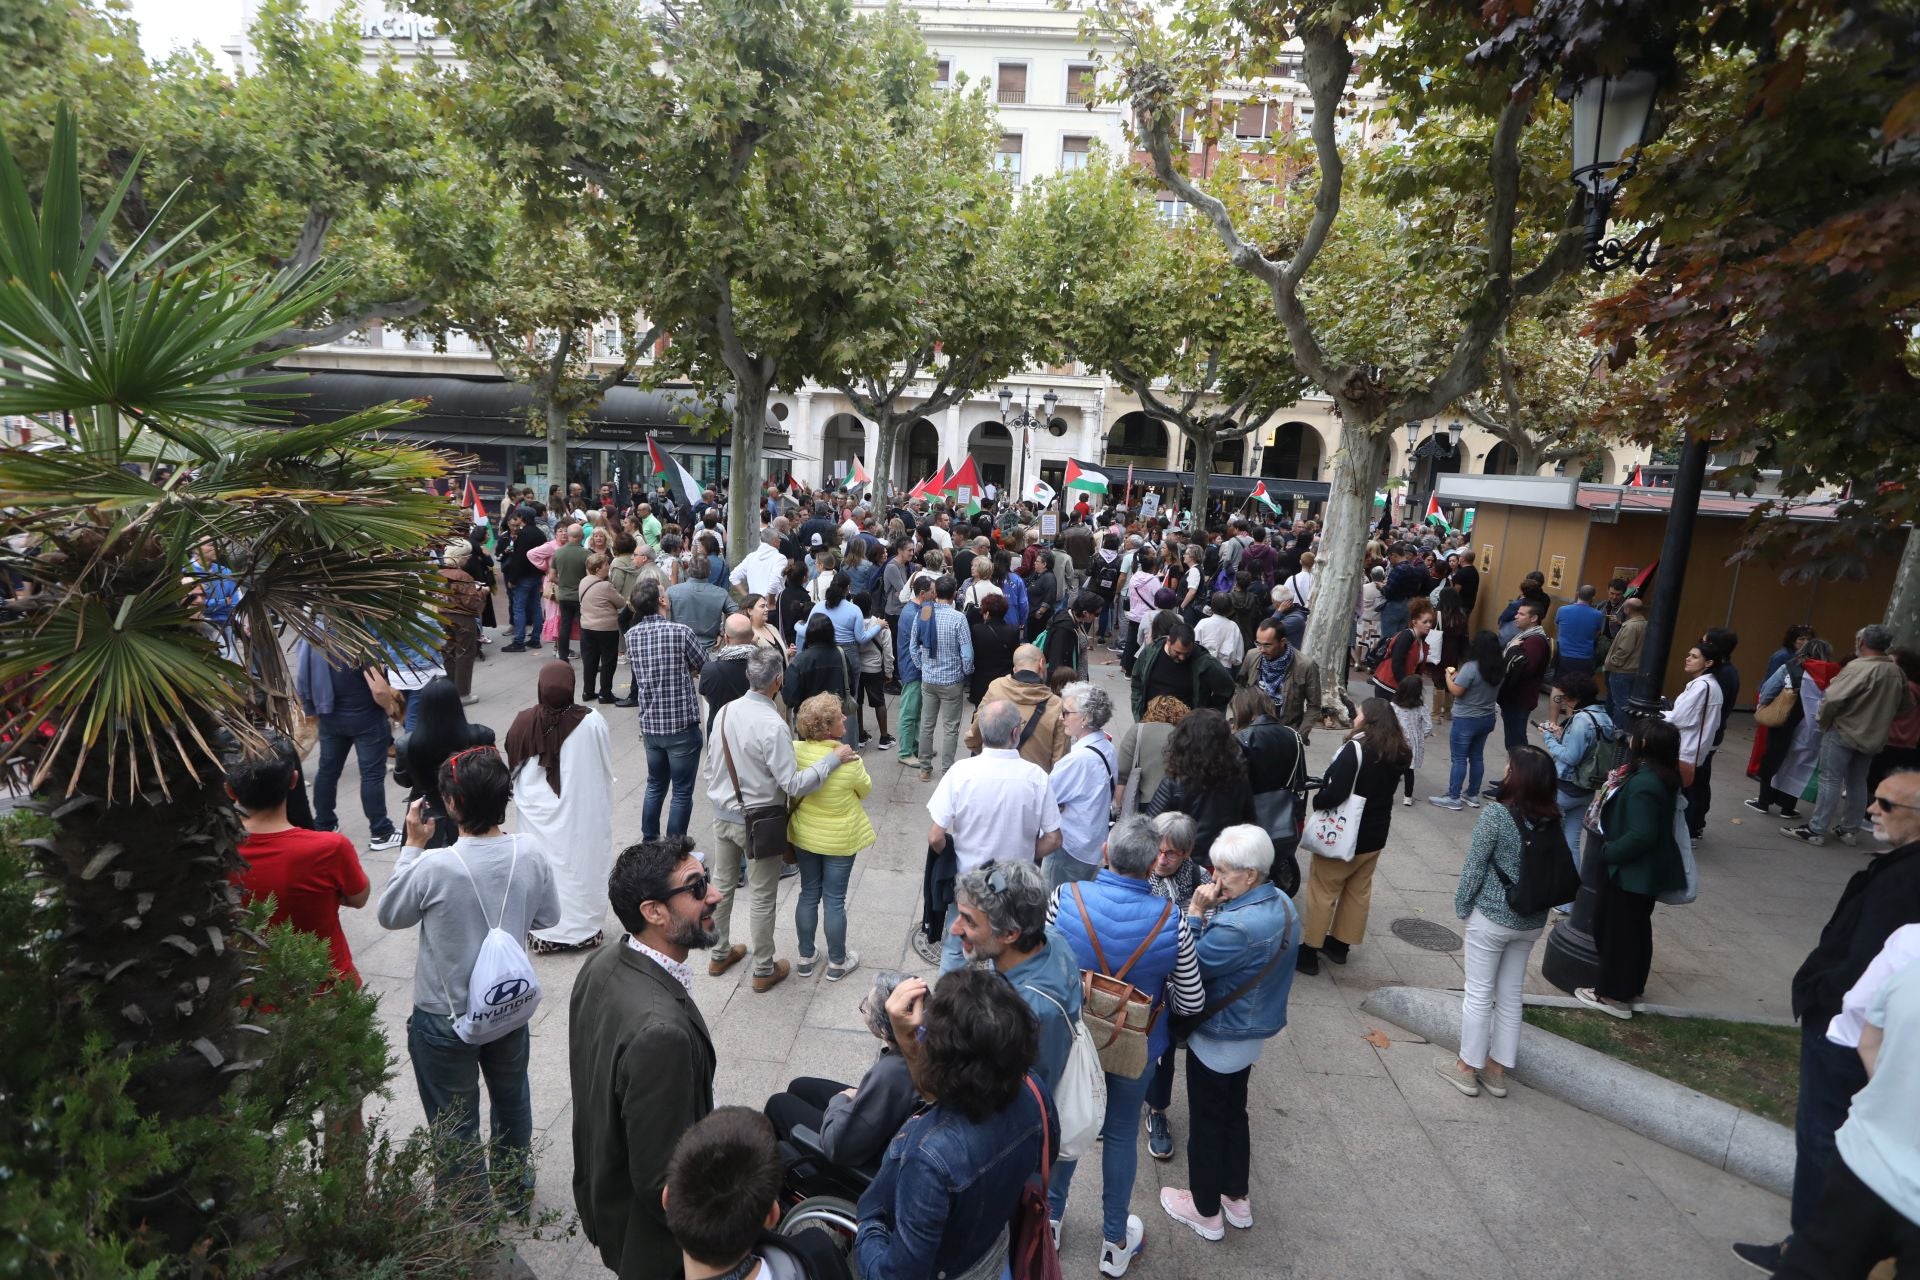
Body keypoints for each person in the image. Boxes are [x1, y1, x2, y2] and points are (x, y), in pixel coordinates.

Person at [1732, 768, 1920, 1274]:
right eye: (1874, 798)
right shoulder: (1901, 867)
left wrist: (1822, 997)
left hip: (1843, 1028)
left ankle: (1807, 1249)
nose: (1871, 809)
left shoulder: (1906, 881)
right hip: (1852, 1025)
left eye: (1886, 804)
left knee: (1820, 1140)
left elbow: (1867, 965)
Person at [376, 746, 560, 1203]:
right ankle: (515, 1189)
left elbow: (389, 913)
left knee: (454, 1119)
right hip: (507, 1004)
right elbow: (548, 918)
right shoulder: (530, 851)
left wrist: (412, 846)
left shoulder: (435, 867)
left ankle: (469, 1214)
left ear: (452, 804)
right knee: (512, 1099)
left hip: (444, 1015)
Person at [570, 837, 722, 1280]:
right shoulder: (663, 1035)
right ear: (653, 912)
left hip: (606, 1201)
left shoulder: (602, 961)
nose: (714, 894)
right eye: (696, 888)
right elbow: (664, 1183)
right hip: (658, 1251)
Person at [852, 969, 1056, 1280]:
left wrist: (867, 1228)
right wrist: (908, 1035)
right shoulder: (1034, 1090)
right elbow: (1048, 1154)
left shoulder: (929, 1156)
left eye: (929, 1035)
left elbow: (896, 1275)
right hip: (996, 1249)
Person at [1158, 824, 1300, 1243]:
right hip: (1250, 1033)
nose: (1213, 879)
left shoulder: (1238, 927)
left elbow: (1187, 965)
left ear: (1250, 875)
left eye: (1222, 872)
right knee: (1235, 1113)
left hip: (1220, 1035)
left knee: (1207, 1122)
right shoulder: (1283, 905)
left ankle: (1205, 1210)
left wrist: (1197, 914)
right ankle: (1236, 1197)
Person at [705, 649, 858, 993]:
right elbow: (792, 784)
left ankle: (719, 951)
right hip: (760, 821)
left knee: (723, 886)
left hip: (722, 813)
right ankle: (763, 968)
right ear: (778, 681)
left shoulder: (725, 711)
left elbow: (710, 763)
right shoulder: (773, 724)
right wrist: (832, 760)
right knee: (761, 895)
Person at [1435, 746, 1560, 1098]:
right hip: (1531, 921)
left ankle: (1465, 1069)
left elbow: (1475, 866)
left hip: (1492, 917)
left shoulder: (1496, 816)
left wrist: (1462, 907)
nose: (1504, 772)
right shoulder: (1554, 817)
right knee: (1510, 995)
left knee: (1478, 993)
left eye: (1508, 768)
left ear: (1517, 778)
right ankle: (1497, 1071)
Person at [929, 700, 1064, 973]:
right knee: (1007, 953)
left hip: (969, 883)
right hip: (1014, 888)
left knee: (956, 947)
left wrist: (951, 855)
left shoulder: (961, 772)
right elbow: (1053, 839)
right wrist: (1027, 852)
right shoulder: (1036, 777)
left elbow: (935, 836)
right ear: (1015, 733)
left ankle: (944, 1007)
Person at [1574, 719, 1687, 1019]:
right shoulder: (1659, 776)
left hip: (1630, 873)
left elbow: (1642, 834)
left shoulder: (1645, 784)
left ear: (1646, 744)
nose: (1630, 739)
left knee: (1616, 931)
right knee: (1634, 930)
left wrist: (1609, 852)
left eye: (1636, 736)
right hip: (1639, 874)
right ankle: (1630, 988)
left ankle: (1612, 995)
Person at [228, 749, 370, 987]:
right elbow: (359, 897)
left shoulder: (216, 853)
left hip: (249, 993)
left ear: (229, 791)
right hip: (325, 989)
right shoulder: (330, 848)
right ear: (294, 780)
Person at [948, 859, 1083, 1096]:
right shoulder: (1050, 937)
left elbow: (1031, 1094)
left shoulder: (1030, 1011)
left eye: (969, 920)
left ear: (1010, 934)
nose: (955, 929)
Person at [1297, 697, 1411, 975]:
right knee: (1357, 891)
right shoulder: (1399, 751)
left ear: (1369, 719)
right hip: (1375, 834)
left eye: (1358, 712)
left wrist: (1318, 801)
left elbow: (1335, 793)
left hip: (1344, 833)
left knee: (1323, 891)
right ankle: (1339, 945)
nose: (1355, 716)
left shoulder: (1356, 749)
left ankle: (1309, 951)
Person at [765, 970, 923, 1171]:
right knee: (799, 1086)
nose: (863, 1006)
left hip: (861, 1154)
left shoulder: (890, 1074)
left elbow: (837, 1146)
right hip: (892, 1119)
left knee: (778, 1104)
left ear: (884, 1030)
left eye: (866, 1007)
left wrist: (840, 1101)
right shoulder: (926, 1043)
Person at [508, 662, 616, 955]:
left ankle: (547, 931)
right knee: (582, 865)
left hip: (537, 814)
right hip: (582, 810)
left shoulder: (523, 721)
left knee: (547, 868)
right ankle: (583, 929)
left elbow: (513, 768)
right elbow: (604, 765)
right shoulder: (592, 721)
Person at [1787, 625, 1914, 849]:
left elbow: (1832, 699)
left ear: (1862, 642)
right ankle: (1849, 830)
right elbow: (1905, 706)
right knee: (1857, 782)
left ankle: (1816, 829)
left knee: (1831, 779)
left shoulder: (1859, 667)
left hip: (1844, 730)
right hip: (1873, 735)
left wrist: (1824, 721)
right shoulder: (1896, 672)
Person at [789, 691, 875, 982]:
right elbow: (865, 790)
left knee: (808, 892)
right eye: (840, 717)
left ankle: (805, 956)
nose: (846, 719)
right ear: (828, 728)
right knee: (834, 900)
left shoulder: (795, 751)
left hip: (805, 836)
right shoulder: (850, 760)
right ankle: (838, 961)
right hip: (840, 840)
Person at [295, 632, 400, 851]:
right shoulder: (358, 642)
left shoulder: (312, 640)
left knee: (327, 771)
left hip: (330, 717)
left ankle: (325, 823)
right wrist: (389, 708)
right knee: (372, 774)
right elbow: (379, 689)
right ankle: (381, 831)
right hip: (366, 719)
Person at [625, 578, 707, 841]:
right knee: (682, 791)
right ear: (661, 601)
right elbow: (704, 664)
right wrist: (687, 668)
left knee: (655, 785)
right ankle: (674, 847)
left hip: (651, 724)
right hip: (681, 724)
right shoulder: (680, 632)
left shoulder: (631, 636)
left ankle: (650, 840)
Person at [1144, 709, 1257, 868]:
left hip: (1182, 865)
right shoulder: (1239, 779)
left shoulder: (1175, 782)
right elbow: (1249, 822)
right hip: (1223, 864)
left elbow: (1150, 828)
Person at [1045, 681, 1120, 891]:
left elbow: (1045, 799)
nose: (1061, 718)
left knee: (1053, 907)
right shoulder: (1106, 746)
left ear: (1085, 718)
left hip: (1069, 847)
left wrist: (1057, 805)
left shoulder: (1078, 759)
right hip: (1091, 844)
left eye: (1066, 713)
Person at [1751, 637, 1833, 820]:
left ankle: (1764, 801)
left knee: (1773, 758)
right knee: (1801, 764)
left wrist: (1764, 706)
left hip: (1786, 721)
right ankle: (1787, 807)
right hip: (1814, 728)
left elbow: (1768, 690)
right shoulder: (1833, 674)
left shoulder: (1790, 667)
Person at [1540, 671, 1616, 868]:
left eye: (1566, 698)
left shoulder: (1581, 719)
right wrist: (1561, 735)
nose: (1564, 702)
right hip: (1588, 788)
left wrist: (1548, 738)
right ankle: (1570, 892)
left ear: (1576, 697)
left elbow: (1571, 757)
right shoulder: (1604, 716)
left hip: (1565, 787)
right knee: (1571, 842)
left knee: (1538, 832)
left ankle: (1538, 880)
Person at [1430, 630, 1505, 811]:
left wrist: (1449, 678)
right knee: (1477, 757)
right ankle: (1472, 794)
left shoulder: (1471, 667)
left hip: (1466, 718)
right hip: (1487, 717)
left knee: (1459, 758)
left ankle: (1453, 796)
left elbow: (1456, 691)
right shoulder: (1499, 669)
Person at [964, 643, 1068, 772]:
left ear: (1015, 669)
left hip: (994, 775)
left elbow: (973, 736)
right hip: (1033, 784)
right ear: (1041, 664)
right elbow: (1061, 761)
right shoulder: (1057, 705)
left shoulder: (996, 688)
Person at [911, 574, 975, 781]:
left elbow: (914, 646)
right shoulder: (959, 618)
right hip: (952, 681)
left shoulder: (924, 613)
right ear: (955, 594)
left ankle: (925, 768)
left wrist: (923, 667)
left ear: (936, 592)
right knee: (950, 727)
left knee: (927, 725)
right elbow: (966, 652)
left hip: (929, 679)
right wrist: (966, 671)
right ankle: (947, 770)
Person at [1664, 642, 1725, 838]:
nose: (1688, 658)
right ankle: (1686, 832)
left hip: (1686, 749)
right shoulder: (1709, 685)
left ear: (1708, 663)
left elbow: (1679, 718)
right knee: (1686, 793)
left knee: (1681, 795)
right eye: (1689, 654)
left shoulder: (1702, 686)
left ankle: (1681, 834)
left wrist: (1658, 714)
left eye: (1694, 656)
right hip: (1692, 749)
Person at [1237, 614, 1326, 737]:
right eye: (1258, 643)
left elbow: (1314, 706)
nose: (1261, 649)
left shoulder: (1306, 666)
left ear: (1282, 642)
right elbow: (1240, 689)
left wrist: (1300, 736)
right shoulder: (1252, 656)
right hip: (1253, 731)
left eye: (1267, 645)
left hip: (1286, 732)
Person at [1130, 618, 1235, 720]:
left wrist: (1207, 712)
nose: (1182, 657)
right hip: (1151, 721)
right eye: (1177, 652)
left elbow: (1227, 687)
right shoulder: (1151, 652)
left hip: (1185, 728)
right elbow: (1136, 681)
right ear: (1168, 641)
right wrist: (1138, 713)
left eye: (1187, 653)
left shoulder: (1204, 662)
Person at [1114, 694, 1189, 816]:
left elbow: (1122, 774)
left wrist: (1118, 809)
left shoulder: (1137, 730)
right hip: (1176, 804)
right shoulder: (1184, 735)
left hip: (1143, 803)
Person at [1495, 600, 1551, 756]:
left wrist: (1512, 651)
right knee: (1513, 740)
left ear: (1534, 618)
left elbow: (1523, 669)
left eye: (1521, 614)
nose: (1516, 616)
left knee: (1516, 741)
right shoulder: (1526, 636)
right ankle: (1514, 774)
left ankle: (1521, 775)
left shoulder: (1535, 641)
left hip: (1519, 698)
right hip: (1514, 697)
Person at [577, 551, 626, 703]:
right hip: (606, 629)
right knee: (608, 661)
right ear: (598, 569)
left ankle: (588, 691)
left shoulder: (584, 581)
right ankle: (605, 693)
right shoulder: (605, 586)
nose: (609, 567)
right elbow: (621, 602)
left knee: (590, 660)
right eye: (606, 564)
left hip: (586, 627)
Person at [699, 613, 757, 733]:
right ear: (752, 636)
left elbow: (708, 698)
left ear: (726, 638)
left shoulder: (710, 670)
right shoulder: (766, 666)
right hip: (754, 731)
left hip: (720, 733)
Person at [1369, 597, 1435, 699]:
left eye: (1430, 622)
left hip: (1401, 687)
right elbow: (1397, 663)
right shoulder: (1406, 636)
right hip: (1388, 686)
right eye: (1425, 622)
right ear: (1414, 622)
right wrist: (1406, 687)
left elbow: (1416, 668)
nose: (1429, 625)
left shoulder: (1421, 640)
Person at [1601, 597, 1647, 724]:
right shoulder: (1644, 624)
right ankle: (1612, 729)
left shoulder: (1631, 627)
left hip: (1621, 671)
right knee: (1620, 702)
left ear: (1627, 609)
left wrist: (1613, 662)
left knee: (1620, 704)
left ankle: (1616, 733)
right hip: (1633, 669)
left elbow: (1624, 649)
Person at [1391, 675, 1432, 806]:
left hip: (1398, 742)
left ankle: (1389, 795)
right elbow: (1428, 726)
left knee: (1394, 770)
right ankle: (1407, 797)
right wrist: (1420, 736)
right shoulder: (1422, 707)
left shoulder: (1393, 706)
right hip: (1414, 743)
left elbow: (1390, 723)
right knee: (1409, 771)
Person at [1120, 547, 1161, 676]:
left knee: (1131, 641)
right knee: (1145, 643)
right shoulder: (1153, 580)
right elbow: (1158, 596)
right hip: (1148, 616)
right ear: (1153, 567)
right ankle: (1140, 670)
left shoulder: (1134, 577)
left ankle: (1127, 668)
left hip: (1134, 614)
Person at [1554, 584, 1607, 675]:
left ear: (1577, 594)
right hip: (1584, 658)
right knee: (1579, 686)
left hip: (1562, 655)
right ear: (1593, 598)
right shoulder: (1598, 615)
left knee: (1560, 685)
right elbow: (1597, 633)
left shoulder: (1562, 610)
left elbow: (1557, 627)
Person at [1195, 590, 1245, 669]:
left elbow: (1195, 647)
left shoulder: (1202, 623)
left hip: (1204, 666)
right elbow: (1238, 657)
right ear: (1229, 609)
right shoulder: (1233, 626)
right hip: (1225, 669)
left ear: (1212, 606)